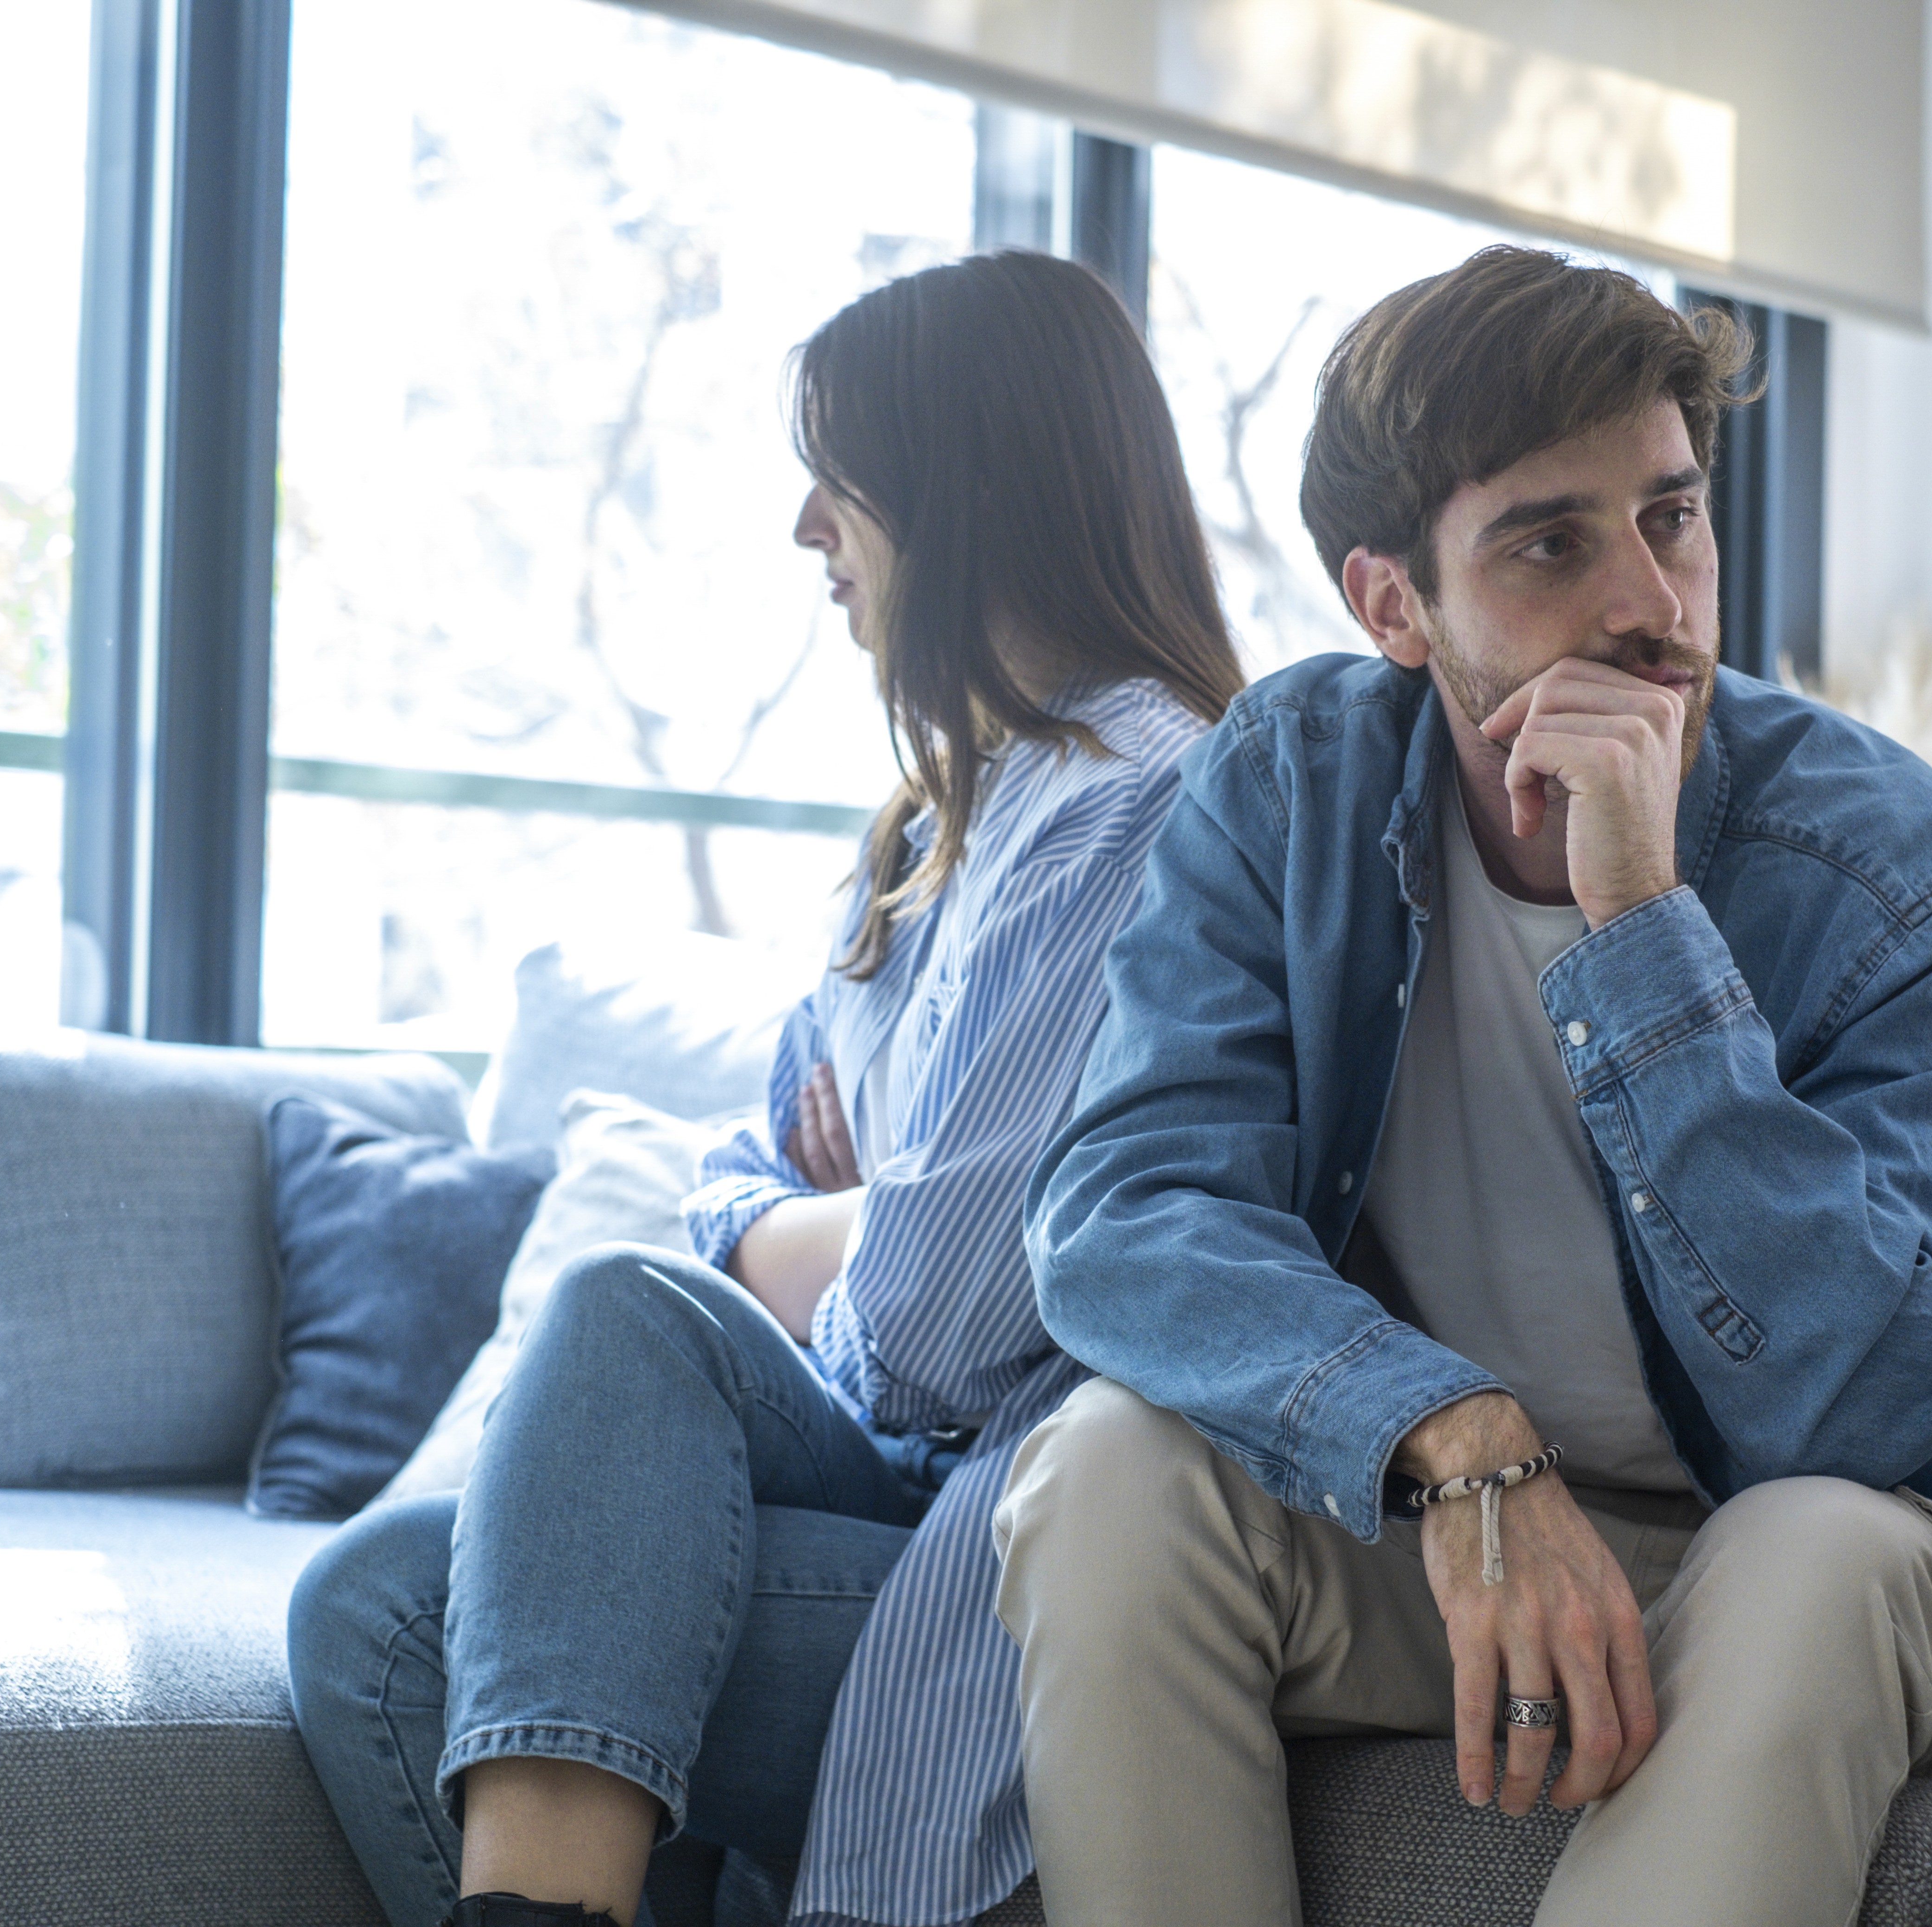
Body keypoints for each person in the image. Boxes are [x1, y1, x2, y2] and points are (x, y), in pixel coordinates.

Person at [996, 247, 1932, 1927]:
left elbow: (1857, 1418)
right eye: (1552, 543)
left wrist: (1644, 933)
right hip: (1476, 1535)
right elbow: (1124, 1213)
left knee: (1808, 1550)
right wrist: (1455, 1437)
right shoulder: (1292, 785)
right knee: (1107, 1471)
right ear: (1391, 606)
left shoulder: (1893, 869)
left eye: (1674, 516)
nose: (1651, 600)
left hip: (1836, 1559)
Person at [287, 249, 1244, 1927]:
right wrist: (853, 1214)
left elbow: (940, 1333)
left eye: (842, 472)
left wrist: (858, 1233)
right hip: (880, 1463)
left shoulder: (1134, 802)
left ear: (971, 487)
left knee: (417, 1591)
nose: (810, 525)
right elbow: (738, 1175)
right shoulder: (930, 835)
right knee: (442, 1518)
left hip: (1000, 1530)